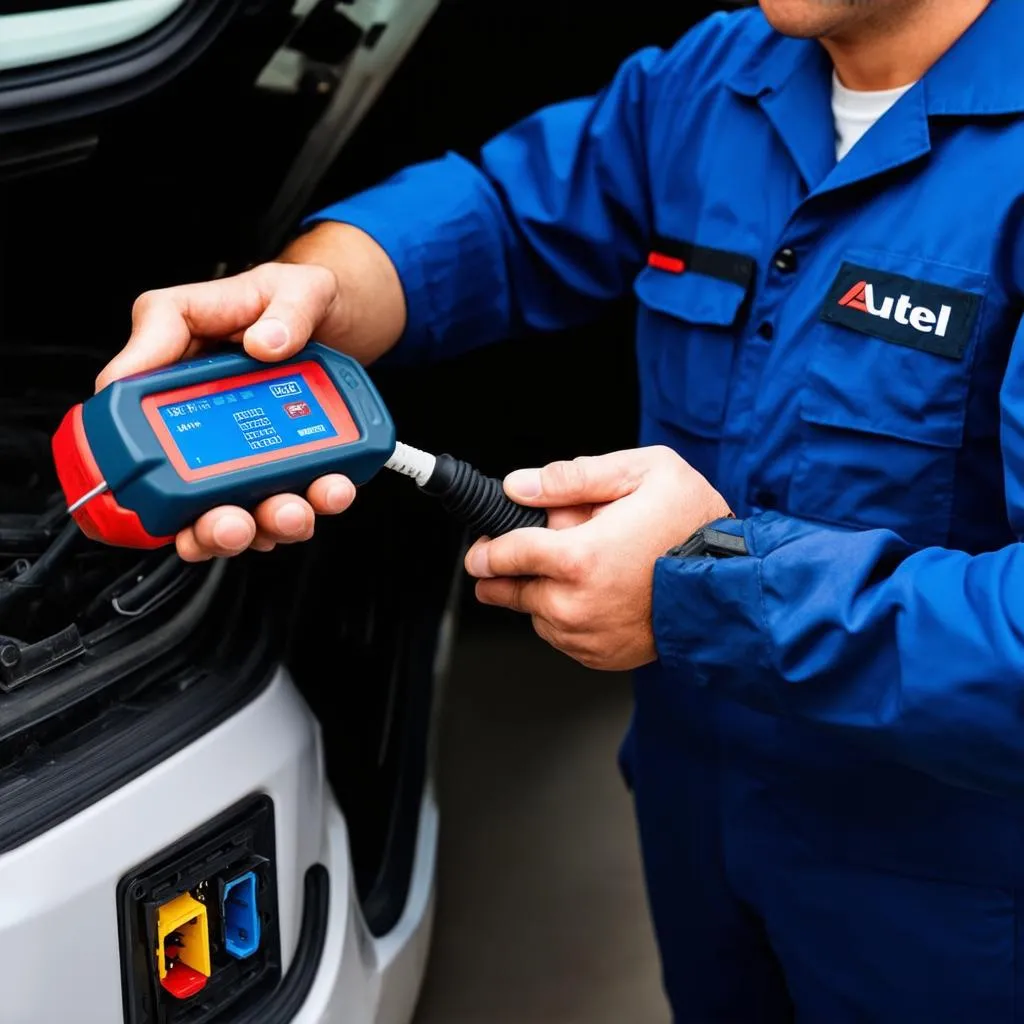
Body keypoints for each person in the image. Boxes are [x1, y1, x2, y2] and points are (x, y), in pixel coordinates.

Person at [98, 0, 1024, 1018]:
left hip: (950, 885)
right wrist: (308, 291)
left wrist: (709, 591)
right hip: (696, 813)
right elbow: (508, 215)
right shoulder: (720, 76)